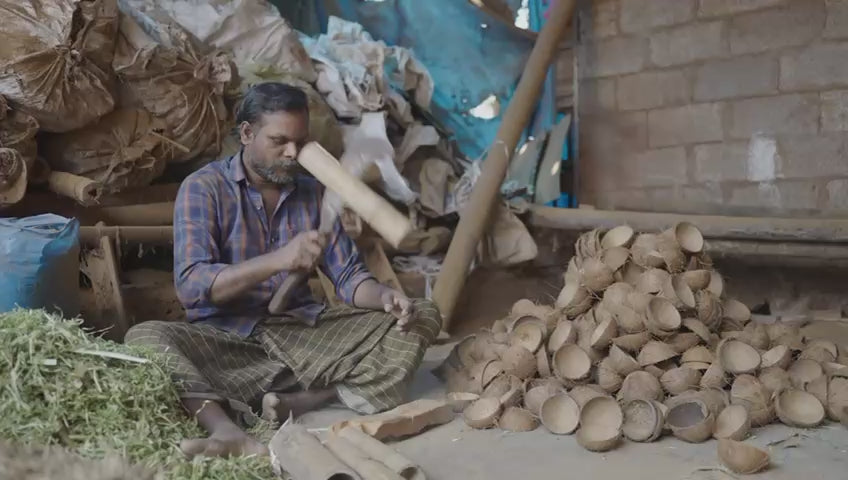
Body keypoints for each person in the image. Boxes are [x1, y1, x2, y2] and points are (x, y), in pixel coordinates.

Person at [126, 82, 441, 459]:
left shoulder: (313, 193)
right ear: (246, 133)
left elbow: (349, 278)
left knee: (421, 313)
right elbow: (192, 287)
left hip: (300, 334)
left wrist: (383, 295)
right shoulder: (203, 188)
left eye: (300, 142)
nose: (292, 153)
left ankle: (304, 400)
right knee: (144, 337)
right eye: (279, 141)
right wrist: (280, 259)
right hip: (229, 341)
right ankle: (227, 431)